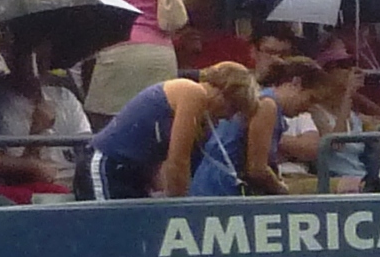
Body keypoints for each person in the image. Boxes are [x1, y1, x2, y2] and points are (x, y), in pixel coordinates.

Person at [85, 62, 261, 198]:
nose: (229, 117)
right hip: (109, 165)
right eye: (233, 108)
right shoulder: (192, 93)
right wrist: (179, 209)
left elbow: (167, 166)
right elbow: (178, 162)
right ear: (225, 93)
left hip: (136, 174)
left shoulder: (204, 119)